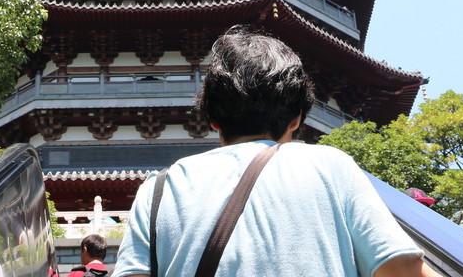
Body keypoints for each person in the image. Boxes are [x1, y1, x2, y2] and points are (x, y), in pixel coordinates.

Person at [112, 26, 435, 277]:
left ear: (211, 117)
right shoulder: (331, 166)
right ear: (297, 118)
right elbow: (401, 269)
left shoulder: (158, 189)